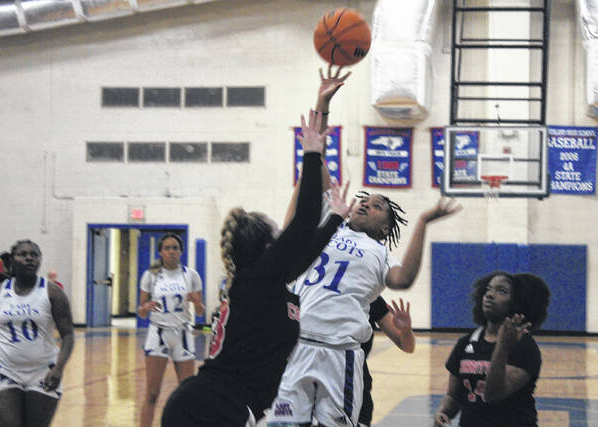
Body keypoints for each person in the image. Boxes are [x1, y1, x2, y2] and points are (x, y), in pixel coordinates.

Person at [267, 66, 462, 427]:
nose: (367, 204)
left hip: (340, 353)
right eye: (365, 199)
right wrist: (323, 102)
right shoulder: (330, 221)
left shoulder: (378, 255)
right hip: (295, 344)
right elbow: (317, 160)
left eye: (378, 205)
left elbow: (403, 279)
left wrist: (422, 221)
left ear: (386, 226)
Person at [161, 110, 353, 426]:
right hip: (210, 408)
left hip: (217, 406)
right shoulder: (257, 282)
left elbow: (303, 255)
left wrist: (334, 219)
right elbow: (304, 223)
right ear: (266, 249)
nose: (285, 243)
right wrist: (312, 154)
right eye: (279, 238)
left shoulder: (264, 285)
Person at [434, 271, 551, 427]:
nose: (490, 295)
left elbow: (492, 394)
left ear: (515, 302)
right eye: (488, 289)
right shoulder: (465, 343)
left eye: (501, 291)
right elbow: (454, 396)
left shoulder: (525, 347)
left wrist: (501, 344)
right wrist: (443, 412)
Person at [0, 239, 74, 427]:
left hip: (44, 372)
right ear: (12, 261)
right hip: (4, 370)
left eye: (34, 255)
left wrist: (59, 368)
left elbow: (68, 335)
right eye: (23, 254)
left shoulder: (53, 293)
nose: (29, 258)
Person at [138, 232, 205, 427]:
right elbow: (141, 312)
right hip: (158, 333)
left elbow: (200, 312)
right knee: (152, 393)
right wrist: (146, 307)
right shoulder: (150, 276)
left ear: (181, 251)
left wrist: (197, 303)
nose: (171, 252)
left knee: (187, 393)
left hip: (182, 333)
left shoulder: (191, 275)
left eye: (175, 248)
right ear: (160, 252)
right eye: (167, 248)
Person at [358, 297, 415, 427]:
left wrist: (406, 332)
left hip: (357, 383)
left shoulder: (369, 294)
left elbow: (407, 347)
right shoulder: (311, 288)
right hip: (316, 379)